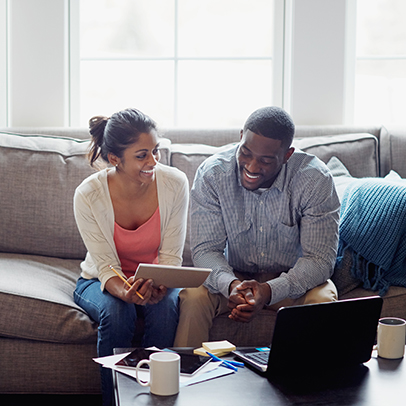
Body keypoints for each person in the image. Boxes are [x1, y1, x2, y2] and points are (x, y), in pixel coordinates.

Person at [174, 106, 340, 348]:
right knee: (193, 295)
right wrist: (230, 285)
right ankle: (187, 378)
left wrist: (269, 291)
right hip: (233, 277)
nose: (251, 167)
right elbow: (205, 251)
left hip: (290, 282)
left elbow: (320, 259)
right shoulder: (213, 174)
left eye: (265, 160)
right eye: (246, 153)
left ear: (287, 155)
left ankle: (306, 383)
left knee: (323, 299)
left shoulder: (314, 180)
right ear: (241, 136)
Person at [73, 108, 189, 405]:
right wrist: (127, 291)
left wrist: (160, 282)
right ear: (115, 159)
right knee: (117, 312)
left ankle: (158, 398)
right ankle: (116, 400)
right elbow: (105, 266)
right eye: (141, 155)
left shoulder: (175, 183)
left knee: (165, 308)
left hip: (156, 277)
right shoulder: (88, 194)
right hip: (101, 280)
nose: (153, 162)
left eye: (155, 151)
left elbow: (170, 257)